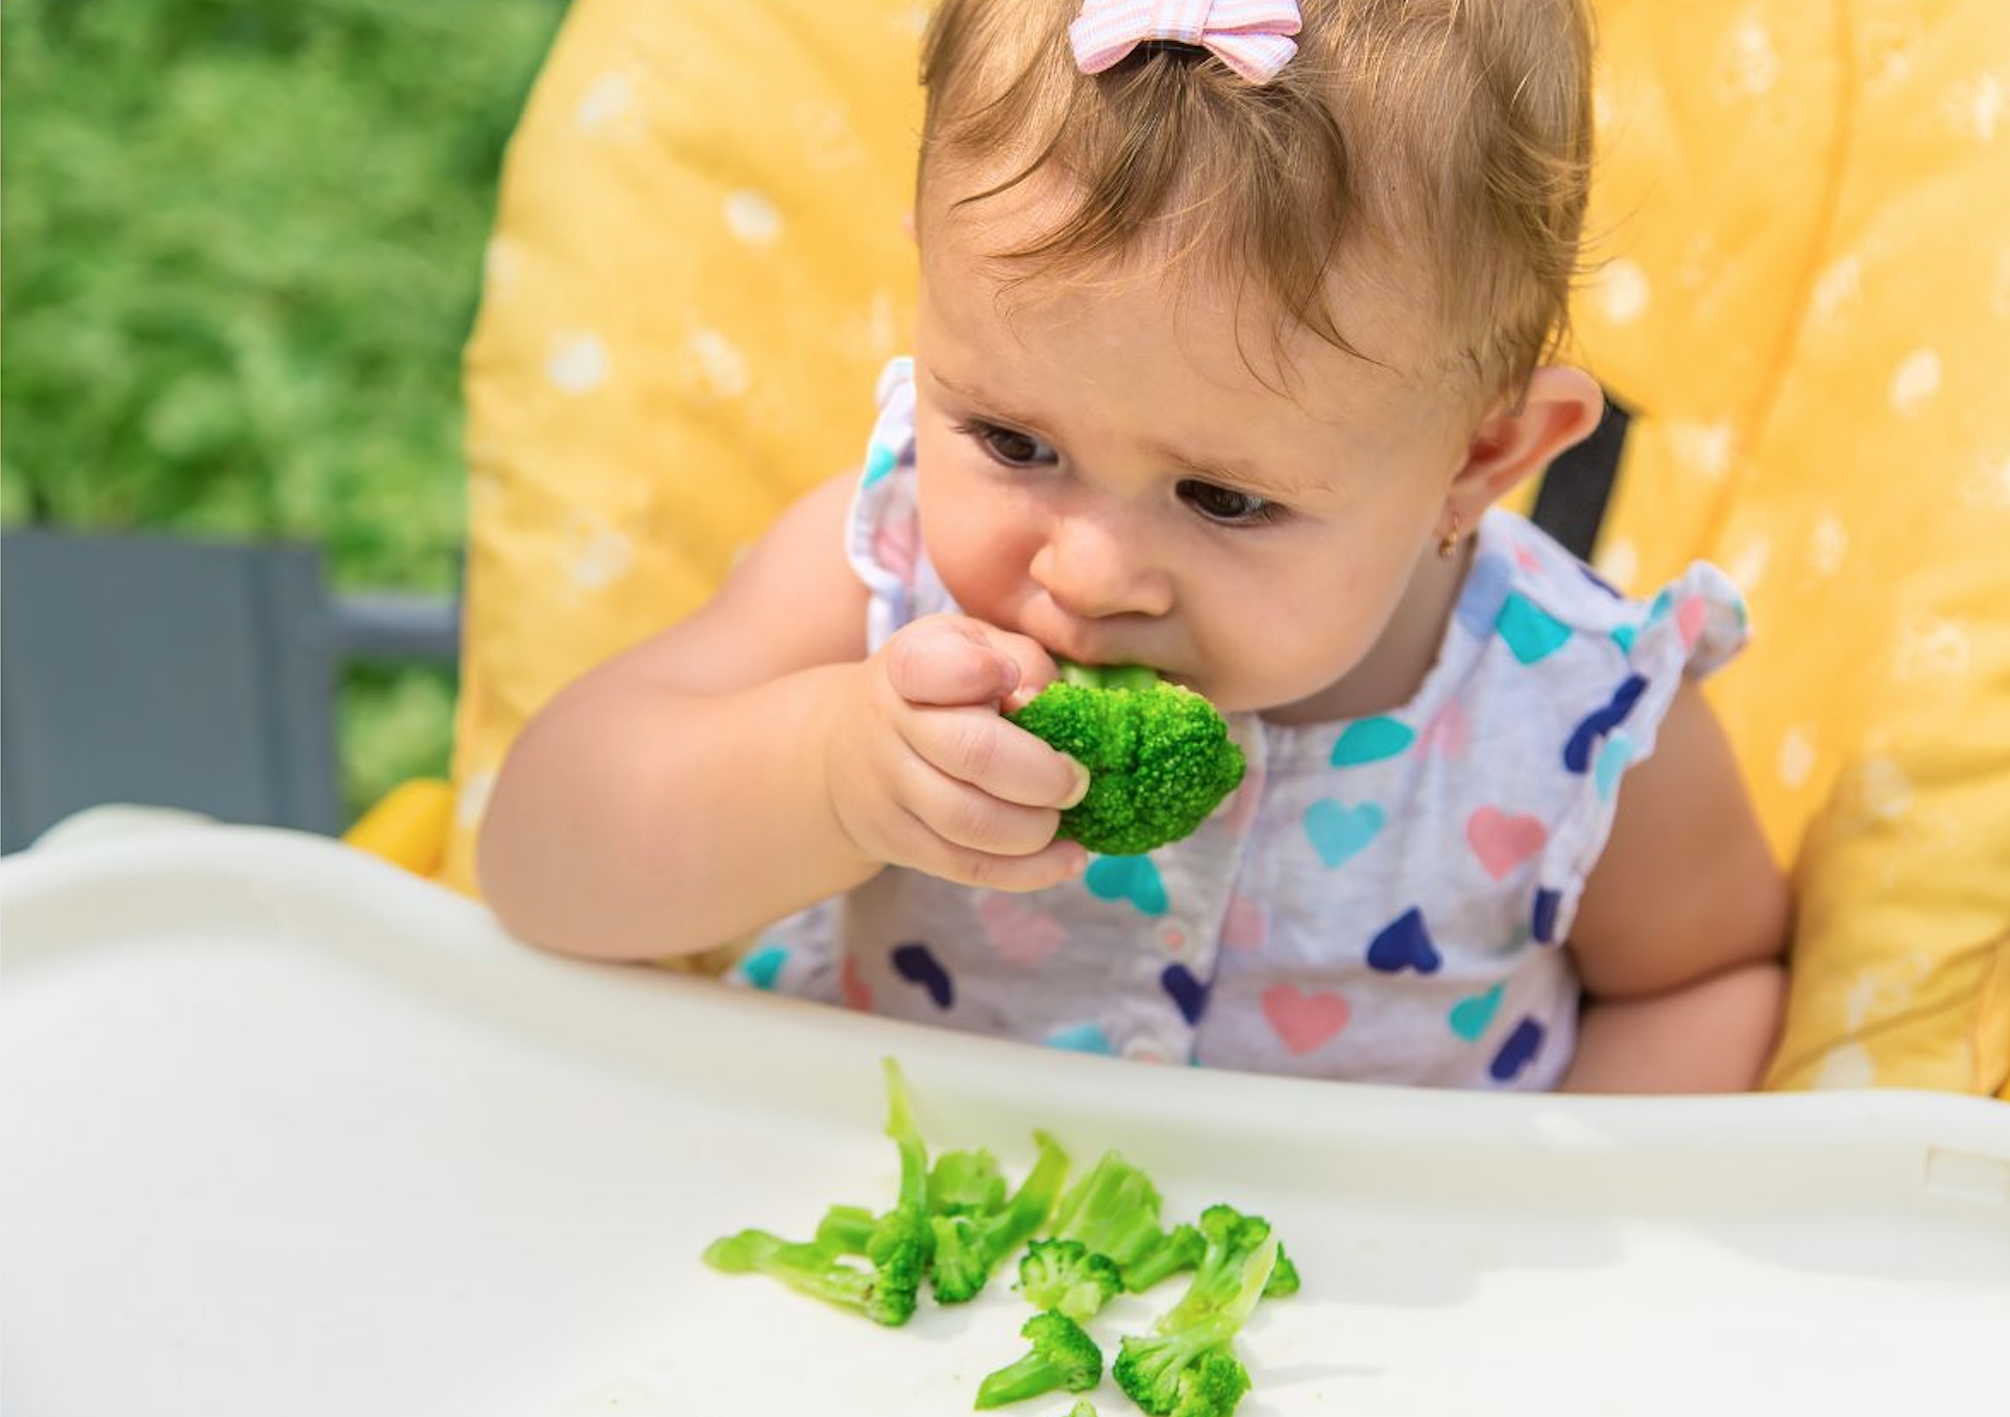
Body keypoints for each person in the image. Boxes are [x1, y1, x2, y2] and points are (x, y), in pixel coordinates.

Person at [478, 0, 1790, 1093]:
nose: (1086, 575)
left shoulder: (1578, 718)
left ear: (1480, 456)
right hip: (895, 1262)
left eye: (1222, 500)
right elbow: (542, 863)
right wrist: (825, 777)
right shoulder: (879, 580)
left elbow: (1706, 979)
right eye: (1011, 440)